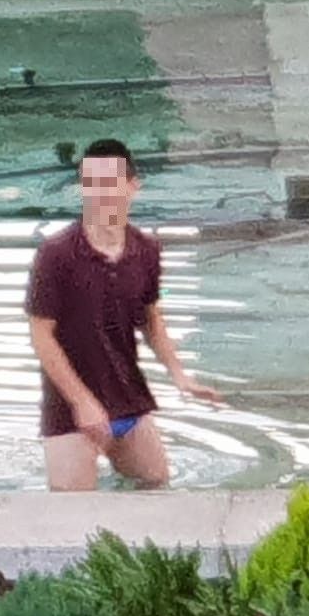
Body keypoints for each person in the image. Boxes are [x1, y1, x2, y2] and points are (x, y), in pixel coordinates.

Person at [24, 138, 221, 491]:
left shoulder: (146, 250)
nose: (100, 194)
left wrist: (179, 375)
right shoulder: (56, 255)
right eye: (91, 184)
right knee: (71, 510)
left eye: (109, 183)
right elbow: (41, 336)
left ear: (132, 186)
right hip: (70, 411)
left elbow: (151, 318)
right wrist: (82, 402)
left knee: (156, 484)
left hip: (128, 400)